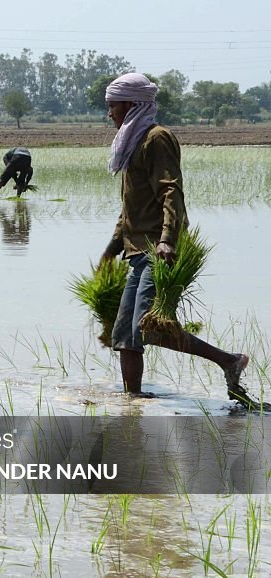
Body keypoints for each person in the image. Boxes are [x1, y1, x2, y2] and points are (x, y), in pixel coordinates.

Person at [99, 72, 248, 399]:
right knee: (126, 335)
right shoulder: (131, 142)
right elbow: (129, 209)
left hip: (158, 249)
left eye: (113, 106)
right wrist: (110, 251)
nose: (109, 113)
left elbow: (171, 192)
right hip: (137, 251)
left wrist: (167, 238)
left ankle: (229, 360)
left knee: (150, 328)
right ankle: (133, 402)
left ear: (132, 104)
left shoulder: (156, 138)